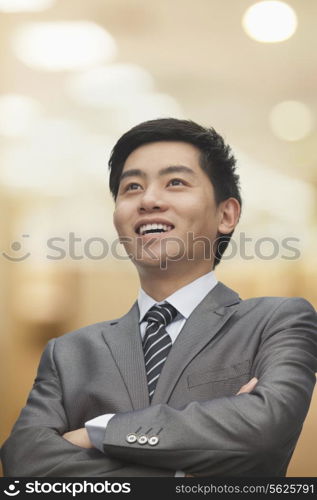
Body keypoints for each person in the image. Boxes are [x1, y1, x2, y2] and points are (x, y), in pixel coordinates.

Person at [1, 118, 317, 477]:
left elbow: (266, 428)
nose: (149, 199)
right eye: (131, 186)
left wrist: (97, 433)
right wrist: (185, 470)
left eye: (175, 182)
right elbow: (23, 462)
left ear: (226, 214)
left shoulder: (277, 322)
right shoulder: (69, 354)